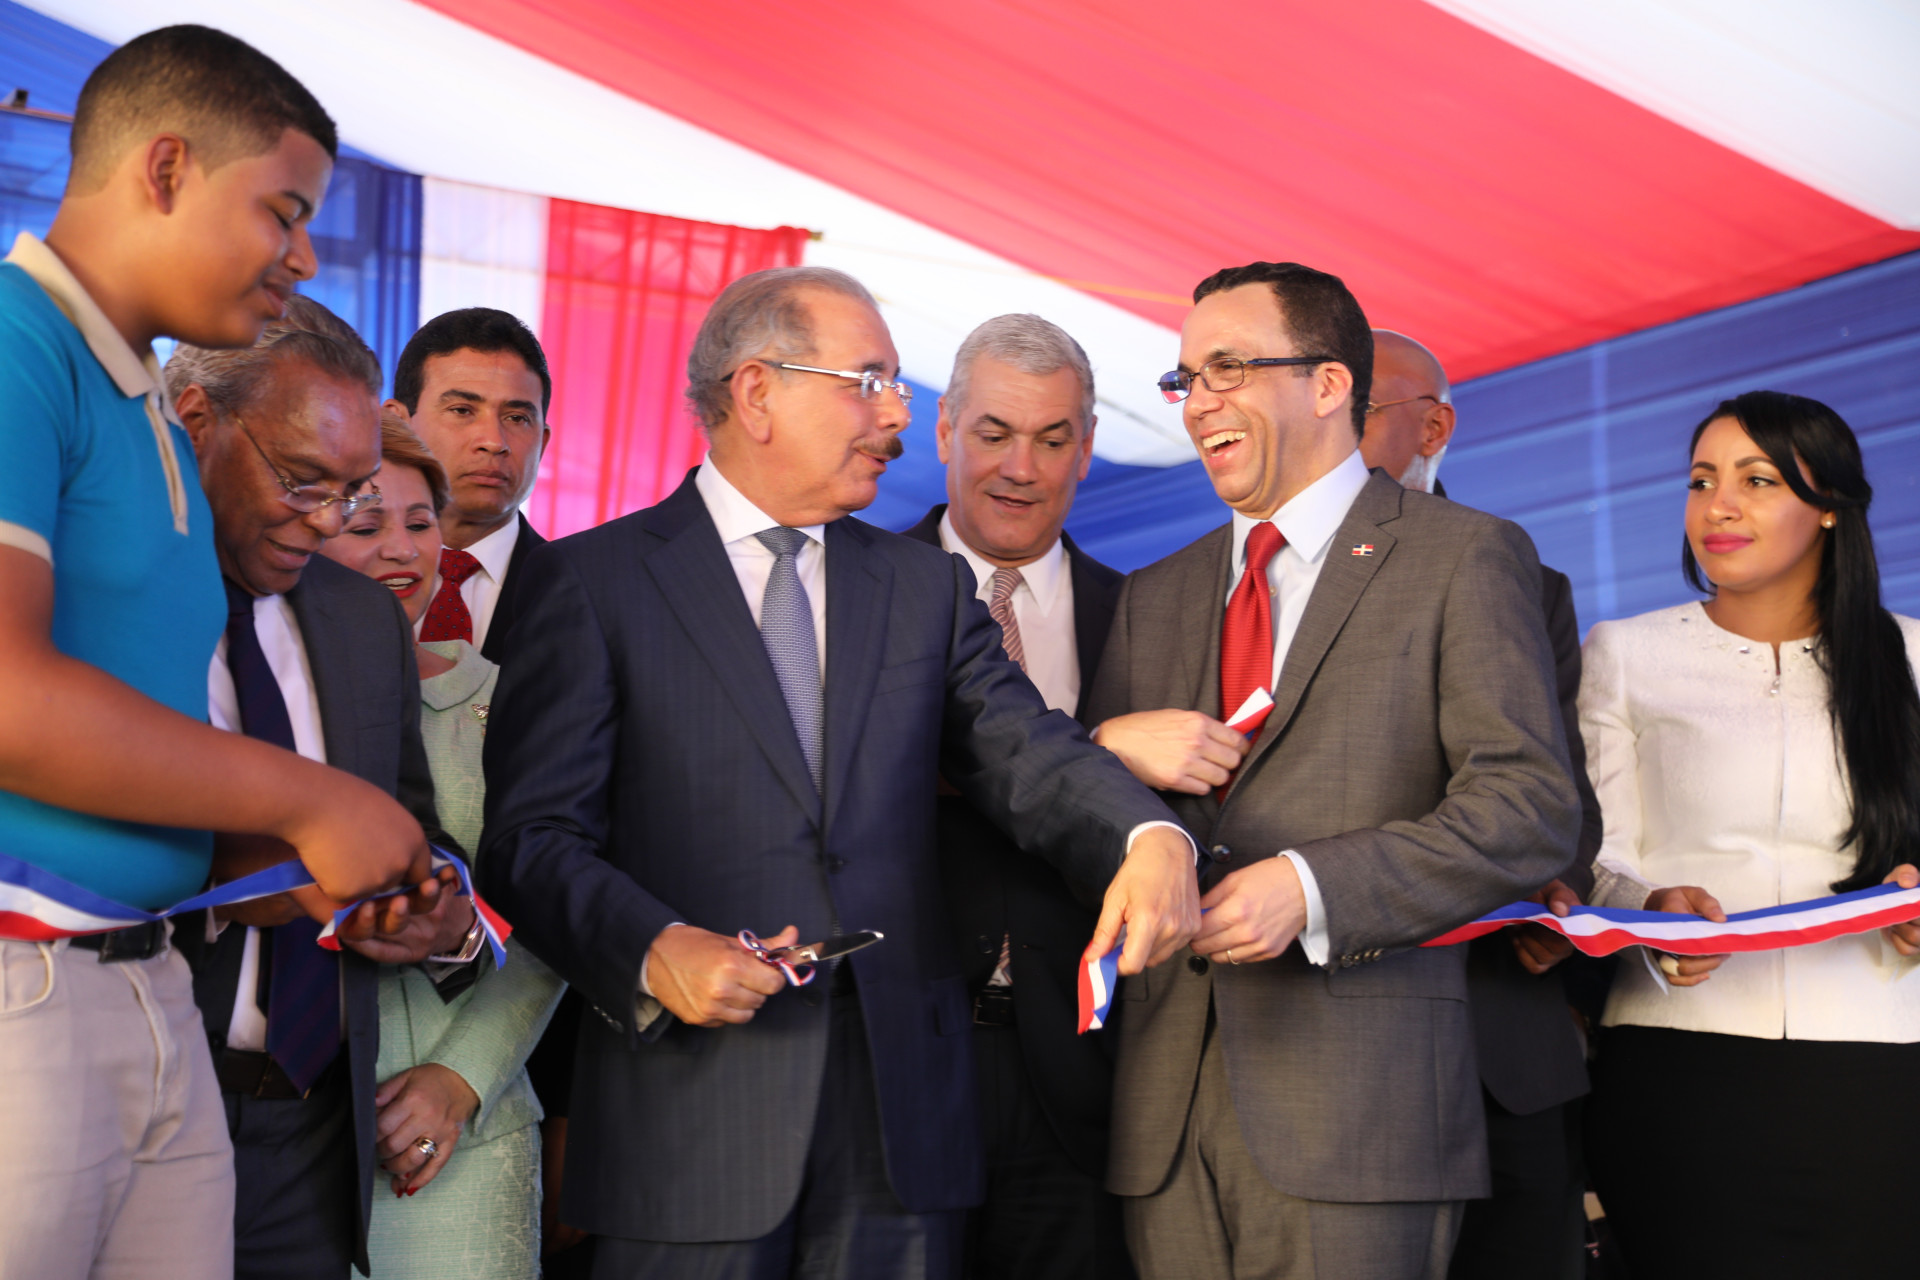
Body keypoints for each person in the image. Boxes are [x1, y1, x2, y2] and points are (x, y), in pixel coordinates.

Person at [478, 265, 1202, 1278]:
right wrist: (653, 947)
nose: (896, 414)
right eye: (868, 381)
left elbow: (1025, 748)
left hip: (898, 1131)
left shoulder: (922, 586)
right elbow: (529, 842)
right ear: (757, 391)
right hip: (690, 1125)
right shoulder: (592, 582)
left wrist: (1147, 833)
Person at [0, 27, 431, 1279]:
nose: (305, 257)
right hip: (28, 978)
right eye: (283, 213)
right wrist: (310, 800)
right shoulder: (17, 345)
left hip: (148, 984)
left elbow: (139, 750)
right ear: (167, 168)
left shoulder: (141, 401)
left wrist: (298, 868)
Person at [1086, 261, 1580, 1280]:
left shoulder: (1466, 554)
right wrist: (1098, 750)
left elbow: (1528, 807)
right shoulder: (1151, 593)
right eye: (1186, 378)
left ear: (1327, 385)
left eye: (1228, 367)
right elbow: (1098, 828)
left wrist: (1312, 889)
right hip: (1163, 1117)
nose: (1199, 401)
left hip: (1363, 1110)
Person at [167, 296, 477, 1280]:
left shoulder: (359, 618)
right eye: (303, 481)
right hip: (142, 1095)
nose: (330, 522)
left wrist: (436, 905)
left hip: (316, 1131)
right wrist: (238, 877)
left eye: (350, 492)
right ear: (195, 423)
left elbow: (412, 823)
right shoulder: (99, 604)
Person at [1579, 390, 1920, 1278]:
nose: (1718, 506)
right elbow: (1594, 854)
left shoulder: (1915, 657)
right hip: (1678, 1067)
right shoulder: (1622, 654)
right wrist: (1648, 910)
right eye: (1701, 481)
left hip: (1888, 1068)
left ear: (1831, 507)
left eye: (1757, 480)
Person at [1360, 330, 1602, 1280]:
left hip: (1504, 1037)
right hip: (1344, 1045)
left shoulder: (1525, 581)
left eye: (1360, 410)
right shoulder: (1260, 582)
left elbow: (1563, 786)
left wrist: (1557, 892)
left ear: (1434, 428)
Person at [899, 314, 1131, 1280]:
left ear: (1087, 449)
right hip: (895, 1073)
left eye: (1052, 439)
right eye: (994, 434)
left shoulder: (1149, 614)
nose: (1020, 469)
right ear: (944, 429)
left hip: (1086, 1083)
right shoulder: (851, 594)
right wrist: (1104, 748)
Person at [319, 413, 567, 1279]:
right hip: (284, 1131)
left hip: (458, 1137)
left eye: (420, 523)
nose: (401, 549)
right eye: (366, 524)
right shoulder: (260, 698)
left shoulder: (510, 703)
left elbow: (558, 911)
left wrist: (460, 1079)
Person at [385, 307, 552, 661]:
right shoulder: (338, 568)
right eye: (462, 410)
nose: (493, 441)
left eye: (517, 418)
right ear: (398, 423)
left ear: (543, 443)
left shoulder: (577, 592)